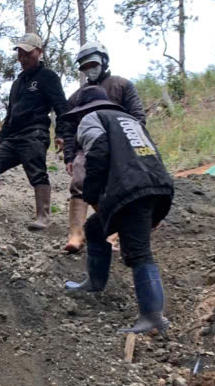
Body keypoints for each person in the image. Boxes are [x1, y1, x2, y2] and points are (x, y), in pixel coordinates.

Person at [62, 85, 174, 335]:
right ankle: (95, 283)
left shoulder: (91, 119)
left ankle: (153, 318)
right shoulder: (130, 121)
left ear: (84, 110)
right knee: (94, 227)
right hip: (157, 186)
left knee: (138, 252)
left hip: (133, 191)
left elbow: (97, 152)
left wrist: (91, 193)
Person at [0, 33, 71, 230]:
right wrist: (0, 137)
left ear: (38, 53)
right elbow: (10, 115)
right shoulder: (18, 82)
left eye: (27, 54)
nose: (22, 58)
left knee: (37, 173)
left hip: (35, 134)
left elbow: (62, 108)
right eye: (20, 54)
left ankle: (43, 217)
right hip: (13, 137)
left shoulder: (48, 77)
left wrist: (61, 134)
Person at [61, 41, 146, 253]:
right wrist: (69, 156)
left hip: (120, 145)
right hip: (87, 148)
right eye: (84, 66)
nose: (90, 69)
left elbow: (137, 117)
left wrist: (132, 146)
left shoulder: (122, 85)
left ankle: (114, 234)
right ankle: (76, 233)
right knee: (80, 181)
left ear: (104, 61)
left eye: (93, 64)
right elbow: (68, 128)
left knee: (118, 187)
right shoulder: (77, 97)